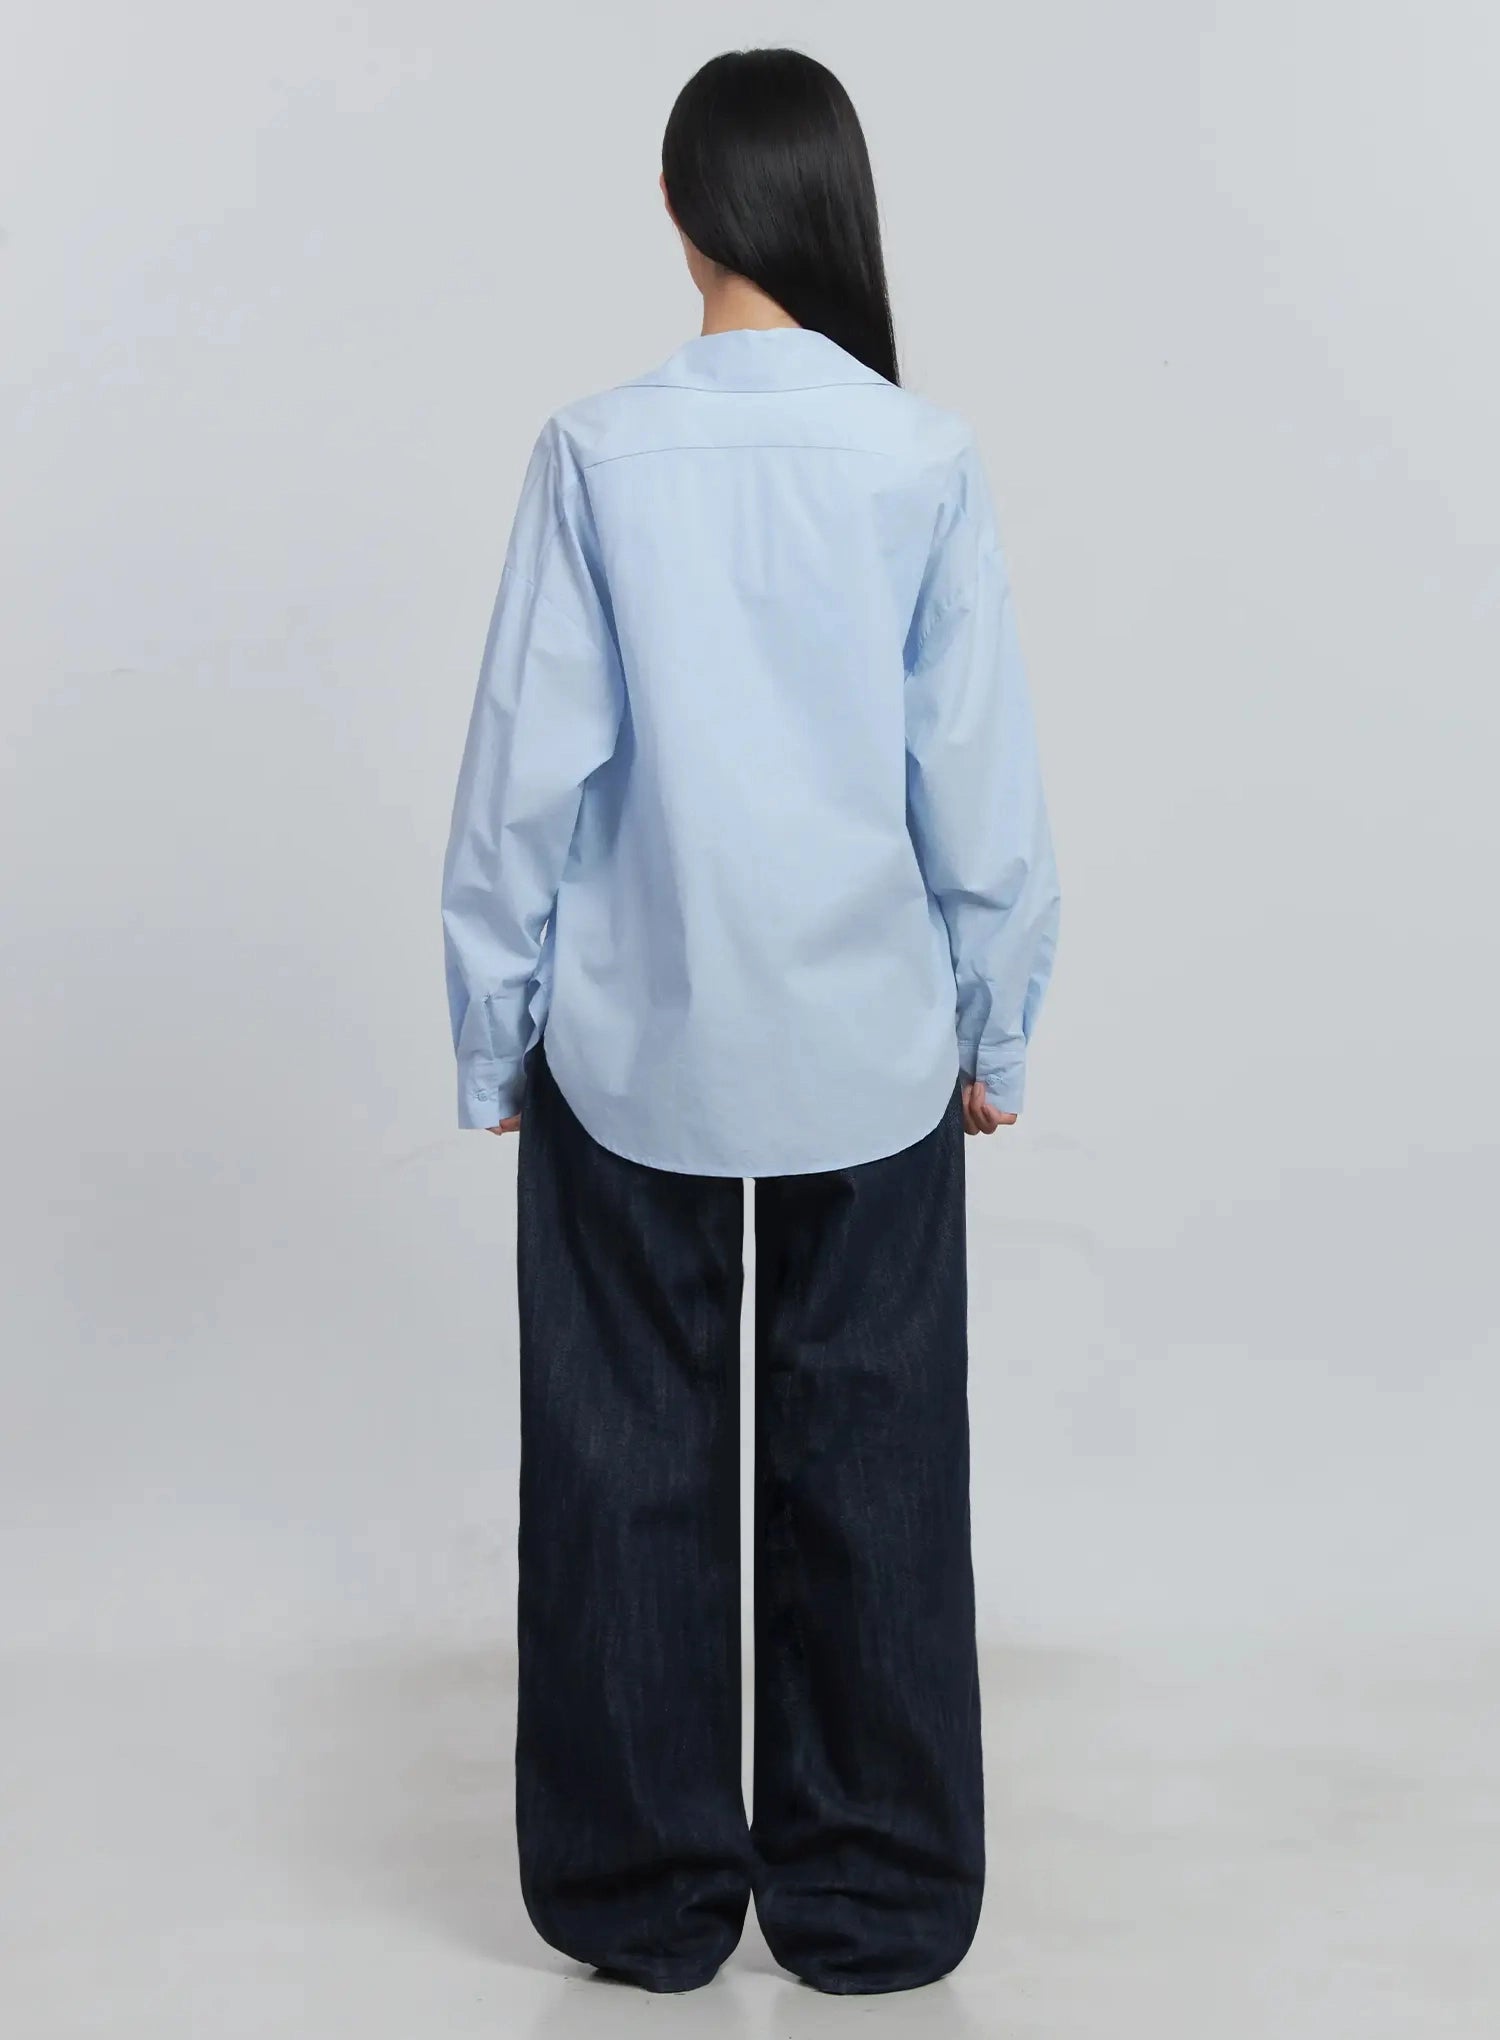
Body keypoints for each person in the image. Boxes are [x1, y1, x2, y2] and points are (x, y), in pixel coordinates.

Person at [440, 46, 1061, 1998]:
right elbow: (980, 780)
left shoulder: (597, 453)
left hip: (637, 1040)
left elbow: (521, 772)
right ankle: (876, 1897)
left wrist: (495, 1022)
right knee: (875, 1466)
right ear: (832, 203)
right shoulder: (921, 456)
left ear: (677, 207)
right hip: (870, 1038)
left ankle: (639, 1899)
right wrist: (996, 1022)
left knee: (620, 1463)